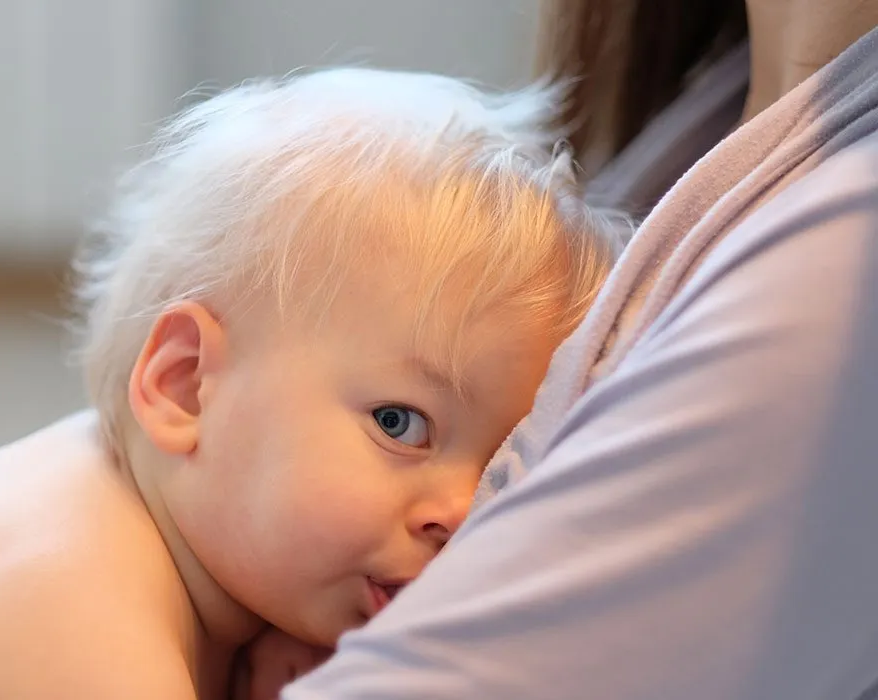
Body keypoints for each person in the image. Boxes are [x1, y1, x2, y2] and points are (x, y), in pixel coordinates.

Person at [0, 68, 620, 700]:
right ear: (186, 386)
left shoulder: (202, 557)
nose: (459, 513)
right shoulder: (74, 613)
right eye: (398, 422)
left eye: (499, 470)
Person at [278, 2, 878, 699]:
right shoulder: (724, 91)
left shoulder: (841, 267)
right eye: (397, 423)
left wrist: (129, 523)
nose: (459, 509)